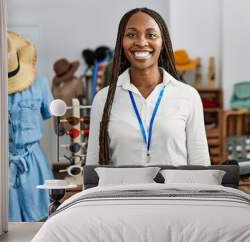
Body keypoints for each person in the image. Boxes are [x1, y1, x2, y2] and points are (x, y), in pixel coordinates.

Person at [86, 8, 210, 166]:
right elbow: (93, 166)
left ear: (163, 42)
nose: (141, 42)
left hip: (175, 191)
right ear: (121, 42)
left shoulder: (188, 96)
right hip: (121, 191)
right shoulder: (103, 99)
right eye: (131, 35)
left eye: (151, 35)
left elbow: (201, 163)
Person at [7, 31, 53, 221]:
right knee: (5, 222)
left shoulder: (40, 84)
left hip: (32, 160)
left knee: (39, 217)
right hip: (1, 161)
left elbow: (48, 112)